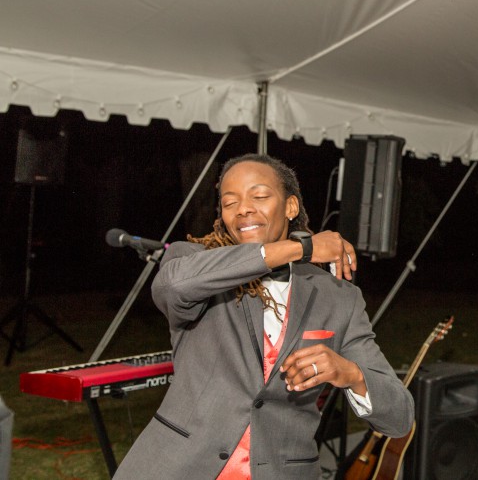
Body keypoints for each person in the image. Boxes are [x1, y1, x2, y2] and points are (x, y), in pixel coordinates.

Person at [115, 153, 414, 479]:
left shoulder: (339, 297)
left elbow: (400, 418)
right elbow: (172, 286)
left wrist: (350, 374)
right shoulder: (196, 262)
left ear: (290, 207)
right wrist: (301, 248)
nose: (243, 208)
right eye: (230, 203)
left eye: (258, 196)